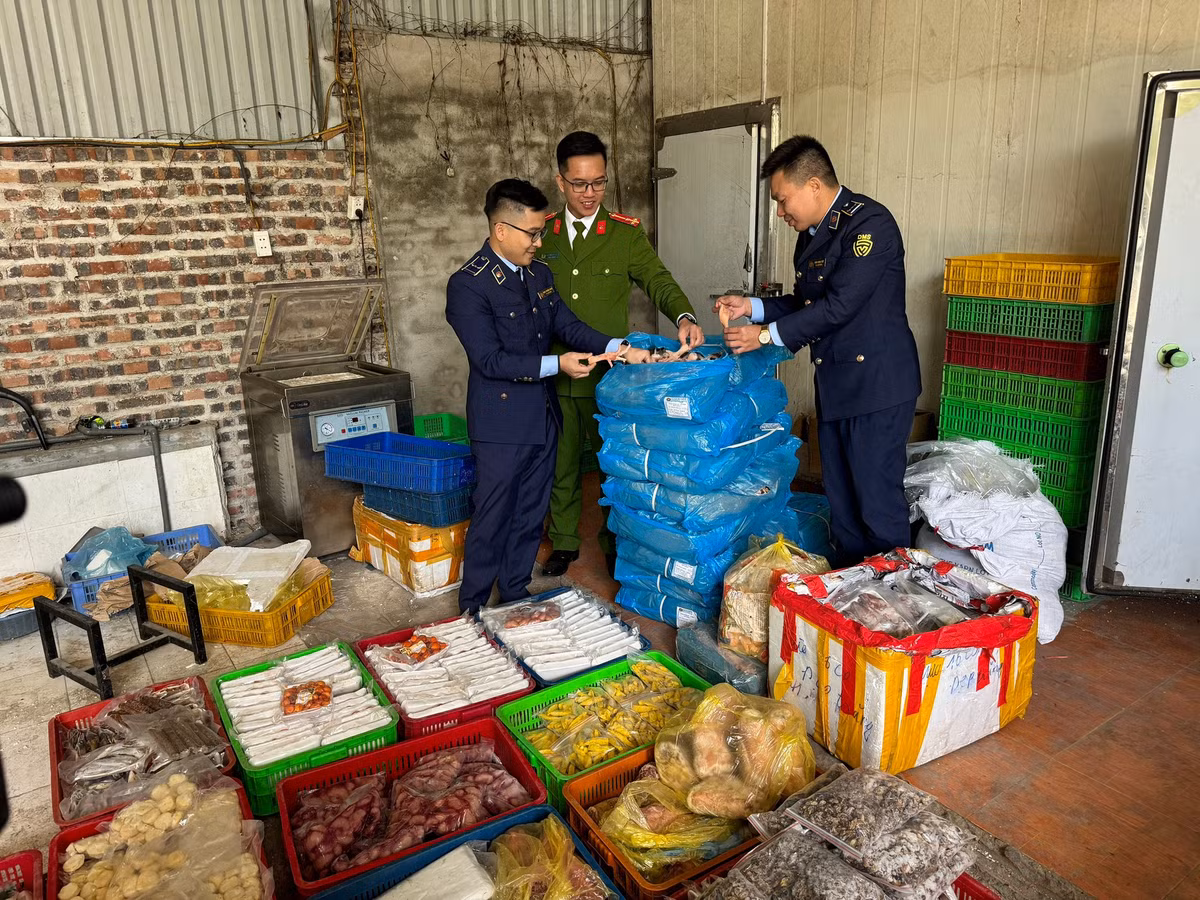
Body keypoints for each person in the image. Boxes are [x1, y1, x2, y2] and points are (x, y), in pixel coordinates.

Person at [715, 135, 921, 567]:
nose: (780, 211)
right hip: (837, 384)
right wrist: (750, 307)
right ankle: (852, 596)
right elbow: (807, 303)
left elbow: (840, 305)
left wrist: (766, 336)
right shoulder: (811, 236)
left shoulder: (870, 226)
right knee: (842, 503)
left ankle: (896, 605)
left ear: (813, 185)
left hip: (876, 387)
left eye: (783, 199)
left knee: (875, 502)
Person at [446, 178, 648, 615]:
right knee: (492, 515)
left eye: (540, 233)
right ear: (502, 230)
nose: (539, 242)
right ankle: (474, 607)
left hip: (542, 413)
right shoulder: (468, 285)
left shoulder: (539, 274)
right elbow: (490, 361)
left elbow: (568, 326)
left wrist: (619, 348)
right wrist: (558, 365)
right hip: (500, 424)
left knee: (530, 511)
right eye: (533, 234)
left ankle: (515, 593)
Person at [537, 131, 705, 578]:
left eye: (598, 183)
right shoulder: (544, 234)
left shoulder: (624, 235)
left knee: (618, 467)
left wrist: (683, 315)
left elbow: (657, 279)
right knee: (561, 464)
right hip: (555, 371)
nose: (589, 193)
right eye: (578, 184)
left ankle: (617, 540)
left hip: (611, 379)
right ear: (560, 182)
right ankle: (566, 541)